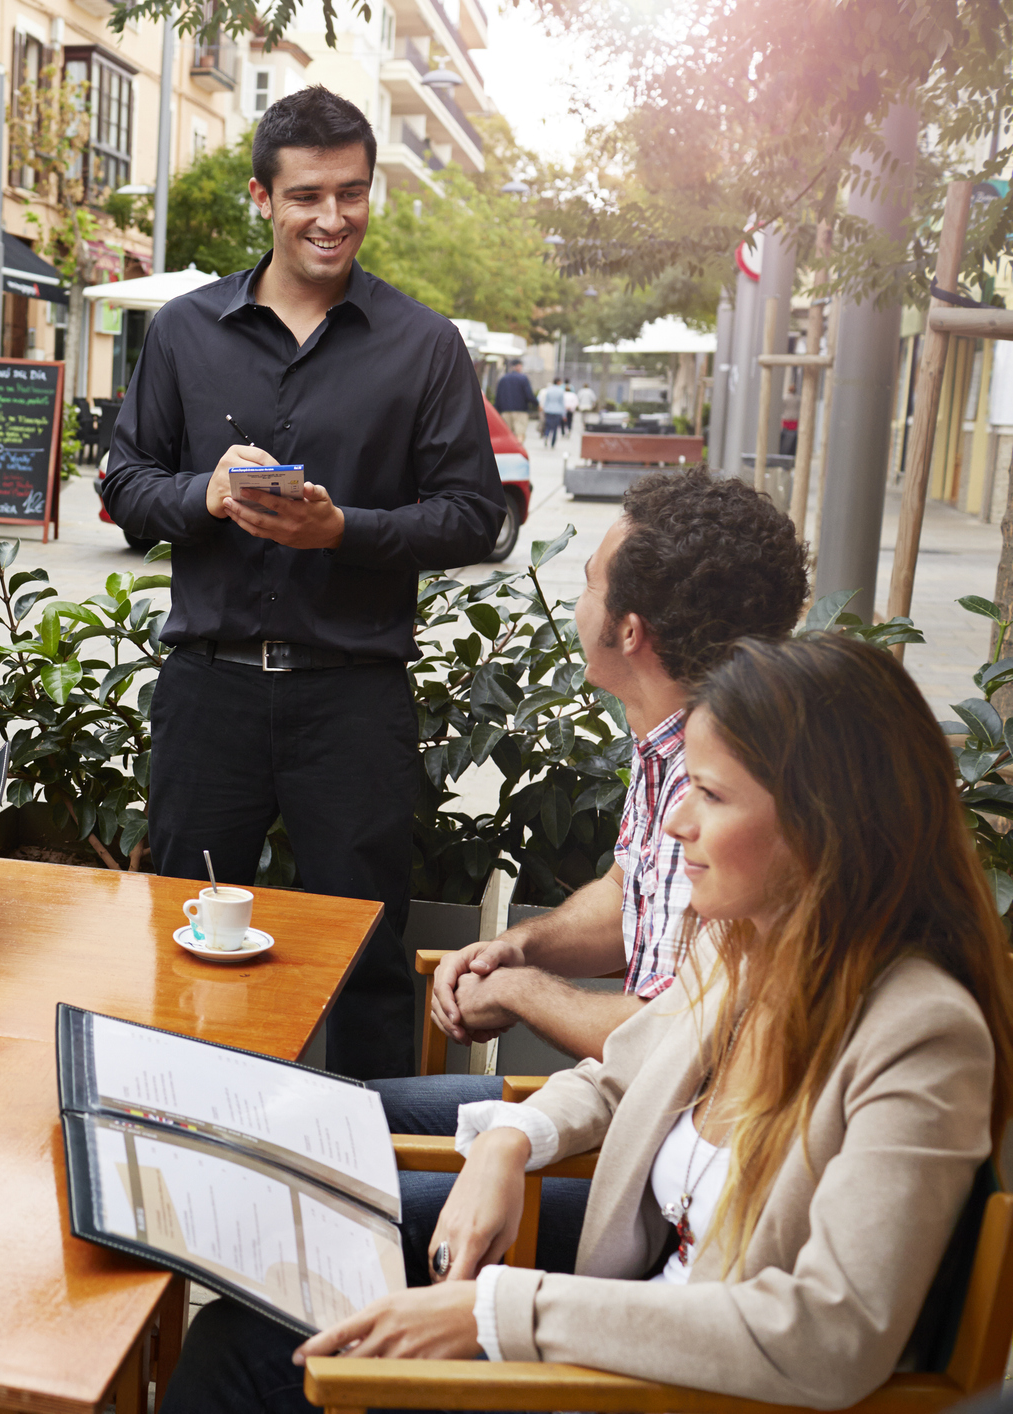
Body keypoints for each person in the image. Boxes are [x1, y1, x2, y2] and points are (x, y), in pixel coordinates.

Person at [164, 632, 1013, 1413]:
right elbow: (618, 1074)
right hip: (630, 1339)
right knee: (252, 1314)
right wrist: (508, 1143)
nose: (677, 823)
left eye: (710, 795)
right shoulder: (747, 950)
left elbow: (829, 1335)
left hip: (669, 1391)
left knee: (247, 1357)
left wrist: (500, 1312)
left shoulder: (920, 1036)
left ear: (826, 824)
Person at [99, 86, 500, 1082]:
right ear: (262, 199)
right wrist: (209, 494)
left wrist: (342, 530)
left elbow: (473, 514)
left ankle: (371, 1184)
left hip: (352, 694)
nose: (333, 217)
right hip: (210, 685)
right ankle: (180, 1139)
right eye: (309, 195)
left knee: (366, 953)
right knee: (184, 928)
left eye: (353, 194)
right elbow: (125, 484)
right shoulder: (185, 332)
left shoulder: (426, 345)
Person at [367, 465, 808, 1274]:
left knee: (348, 1186)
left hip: (648, 1165)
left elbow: (674, 1033)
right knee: (349, 1118)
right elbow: (624, 896)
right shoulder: (671, 747)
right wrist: (521, 951)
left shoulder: (725, 783)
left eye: (589, 584)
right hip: (611, 1106)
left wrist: (516, 991)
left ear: (629, 630)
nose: (579, 604)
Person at [493, 359, 536, 443]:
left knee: (507, 433)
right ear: (518, 366)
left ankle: (508, 451)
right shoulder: (523, 378)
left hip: (505, 411)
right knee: (519, 433)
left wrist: (497, 410)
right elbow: (529, 395)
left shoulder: (502, 379)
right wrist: (536, 404)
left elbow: (498, 396)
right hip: (520, 411)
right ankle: (517, 451)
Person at [539, 379, 567, 446]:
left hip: (548, 410)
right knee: (555, 428)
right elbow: (562, 403)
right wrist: (564, 414)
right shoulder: (561, 391)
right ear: (558, 382)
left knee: (548, 426)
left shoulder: (549, 390)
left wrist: (544, 409)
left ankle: (546, 436)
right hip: (557, 411)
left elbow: (546, 401)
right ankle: (553, 443)